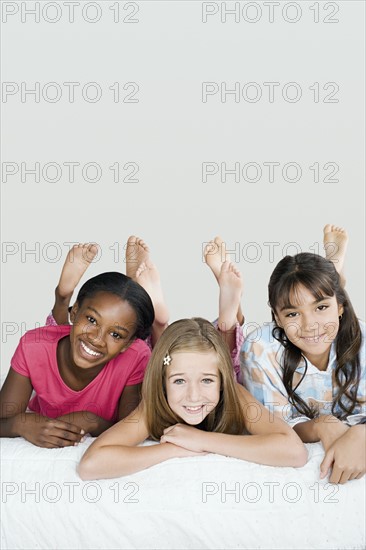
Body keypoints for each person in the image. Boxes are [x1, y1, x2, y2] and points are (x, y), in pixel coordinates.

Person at [77, 262, 307, 480]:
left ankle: (227, 320)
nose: (193, 396)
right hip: (158, 360)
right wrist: (172, 450)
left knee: (228, 354)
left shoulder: (233, 394)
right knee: (150, 348)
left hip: (221, 374)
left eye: (207, 380)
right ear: (163, 382)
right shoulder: (154, 406)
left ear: (221, 381)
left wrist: (203, 440)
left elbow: (294, 451)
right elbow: (91, 465)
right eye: (179, 381)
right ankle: (158, 318)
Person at [240, 224, 366, 484]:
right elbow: (278, 425)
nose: (309, 325)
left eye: (321, 307)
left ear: (340, 306)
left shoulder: (362, 341)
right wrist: (323, 424)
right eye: (292, 314)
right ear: (277, 317)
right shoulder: (261, 348)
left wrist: (361, 434)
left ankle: (334, 271)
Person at [0, 243, 158, 447]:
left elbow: (130, 426)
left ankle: (141, 293)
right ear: (74, 313)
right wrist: (20, 424)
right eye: (92, 320)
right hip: (55, 336)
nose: (97, 339)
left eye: (116, 334)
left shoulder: (135, 356)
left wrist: (90, 420)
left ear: (128, 343)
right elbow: (3, 419)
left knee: (157, 358)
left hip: (137, 348)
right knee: (54, 334)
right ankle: (63, 297)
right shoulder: (33, 346)